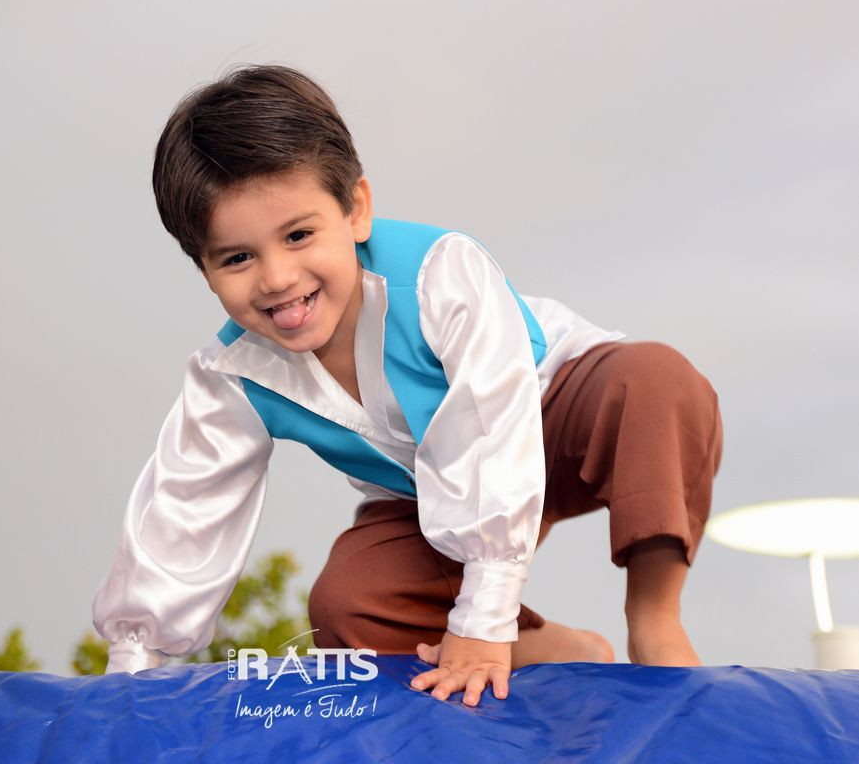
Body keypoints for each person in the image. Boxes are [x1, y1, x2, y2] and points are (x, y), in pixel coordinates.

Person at [92, 65, 724, 707]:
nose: (277, 277)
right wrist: (135, 660)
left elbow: (492, 422)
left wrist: (483, 618)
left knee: (654, 382)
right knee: (347, 605)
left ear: (356, 210)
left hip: (547, 410)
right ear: (205, 270)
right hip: (431, 493)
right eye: (237, 257)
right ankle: (548, 647)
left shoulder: (437, 275)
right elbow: (183, 509)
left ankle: (654, 616)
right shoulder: (234, 372)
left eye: (299, 235)